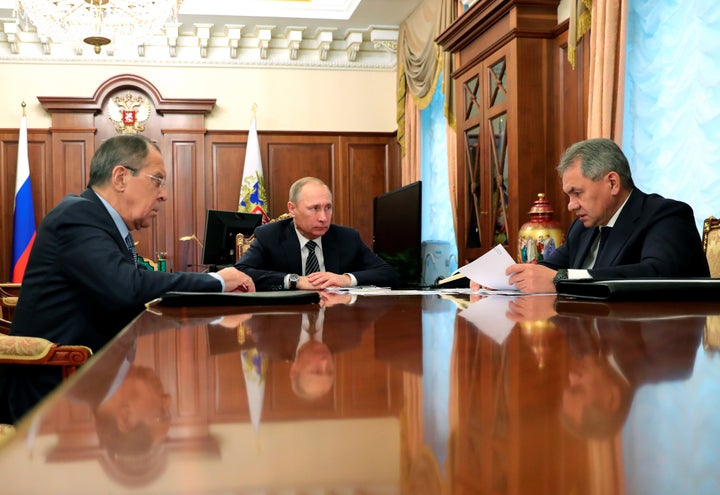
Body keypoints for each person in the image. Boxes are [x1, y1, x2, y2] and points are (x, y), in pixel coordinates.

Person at [10, 134, 255, 352]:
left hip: (95, 365)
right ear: (120, 178)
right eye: (157, 180)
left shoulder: (102, 220)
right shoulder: (77, 216)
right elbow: (127, 287)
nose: (164, 194)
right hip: (59, 383)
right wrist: (219, 281)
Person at [473, 138, 710, 293]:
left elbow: (656, 275)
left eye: (577, 193)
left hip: (650, 352)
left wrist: (561, 281)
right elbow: (548, 269)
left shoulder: (665, 215)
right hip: (591, 338)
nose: (570, 206)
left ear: (612, 183)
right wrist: (504, 282)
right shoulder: (582, 229)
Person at [235, 176, 400, 291]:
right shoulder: (270, 235)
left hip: (334, 321)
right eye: (314, 208)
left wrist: (345, 279)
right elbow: (240, 272)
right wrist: (295, 281)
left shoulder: (347, 238)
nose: (323, 218)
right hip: (286, 325)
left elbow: (389, 274)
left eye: (328, 208)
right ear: (292, 209)